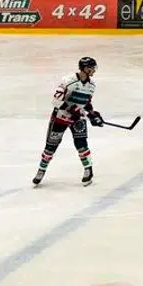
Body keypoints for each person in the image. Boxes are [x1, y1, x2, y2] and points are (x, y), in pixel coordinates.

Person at [33, 56, 103, 187]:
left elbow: (87, 103)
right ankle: (41, 170)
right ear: (86, 68)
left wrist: (92, 114)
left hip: (78, 119)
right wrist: (71, 108)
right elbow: (56, 101)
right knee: (50, 147)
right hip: (60, 118)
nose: (94, 70)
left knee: (82, 144)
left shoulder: (92, 85)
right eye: (92, 68)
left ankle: (89, 170)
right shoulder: (68, 81)